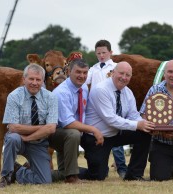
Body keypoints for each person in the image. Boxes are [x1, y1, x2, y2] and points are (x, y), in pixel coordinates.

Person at [80, 61, 154, 181]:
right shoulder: (101, 89)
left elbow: (133, 115)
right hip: (97, 137)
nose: (124, 77)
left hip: (115, 134)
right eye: (121, 73)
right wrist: (137, 125)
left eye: (128, 75)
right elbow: (110, 119)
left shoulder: (128, 92)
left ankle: (134, 175)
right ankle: (70, 171)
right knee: (98, 176)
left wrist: (145, 124)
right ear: (113, 73)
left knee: (144, 133)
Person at [0, 64, 58, 188]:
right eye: (31, 79)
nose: (34, 83)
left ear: (43, 81)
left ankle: (18, 171)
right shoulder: (14, 96)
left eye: (38, 79)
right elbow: (13, 128)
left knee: (44, 181)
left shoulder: (51, 97)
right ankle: (6, 176)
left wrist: (29, 137)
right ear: (24, 79)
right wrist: (43, 128)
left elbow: (51, 128)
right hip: (18, 139)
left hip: (39, 143)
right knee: (13, 138)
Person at [50, 58, 104, 183]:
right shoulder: (61, 92)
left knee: (98, 173)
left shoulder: (84, 88)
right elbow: (67, 122)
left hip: (69, 133)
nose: (82, 76)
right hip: (53, 131)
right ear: (68, 71)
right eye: (78, 72)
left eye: (85, 72)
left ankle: (24, 170)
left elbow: (84, 113)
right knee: (74, 133)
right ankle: (72, 177)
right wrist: (94, 129)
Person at [85, 39, 127, 178]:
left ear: (110, 52)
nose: (101, 55)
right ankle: (102, 168)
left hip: (112, 105)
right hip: (95, 107)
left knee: (115, 138)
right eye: (98, 53)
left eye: (104, 52)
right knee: (99, 139)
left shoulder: (115, 67)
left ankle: (121, 168)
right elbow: (85, 83)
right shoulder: (93, 69)